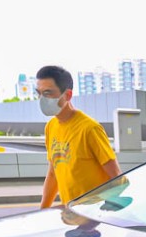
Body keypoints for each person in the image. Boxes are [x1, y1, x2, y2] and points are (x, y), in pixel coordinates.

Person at [36, 65, 121, 208]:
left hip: (95, 215)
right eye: (39, 93)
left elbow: (117, 178)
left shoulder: (89, 129)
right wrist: (42, 211)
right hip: (71, 213)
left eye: (48, 93)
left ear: (67, 95)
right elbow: (53, 173)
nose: (41, 99)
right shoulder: (51, 127)